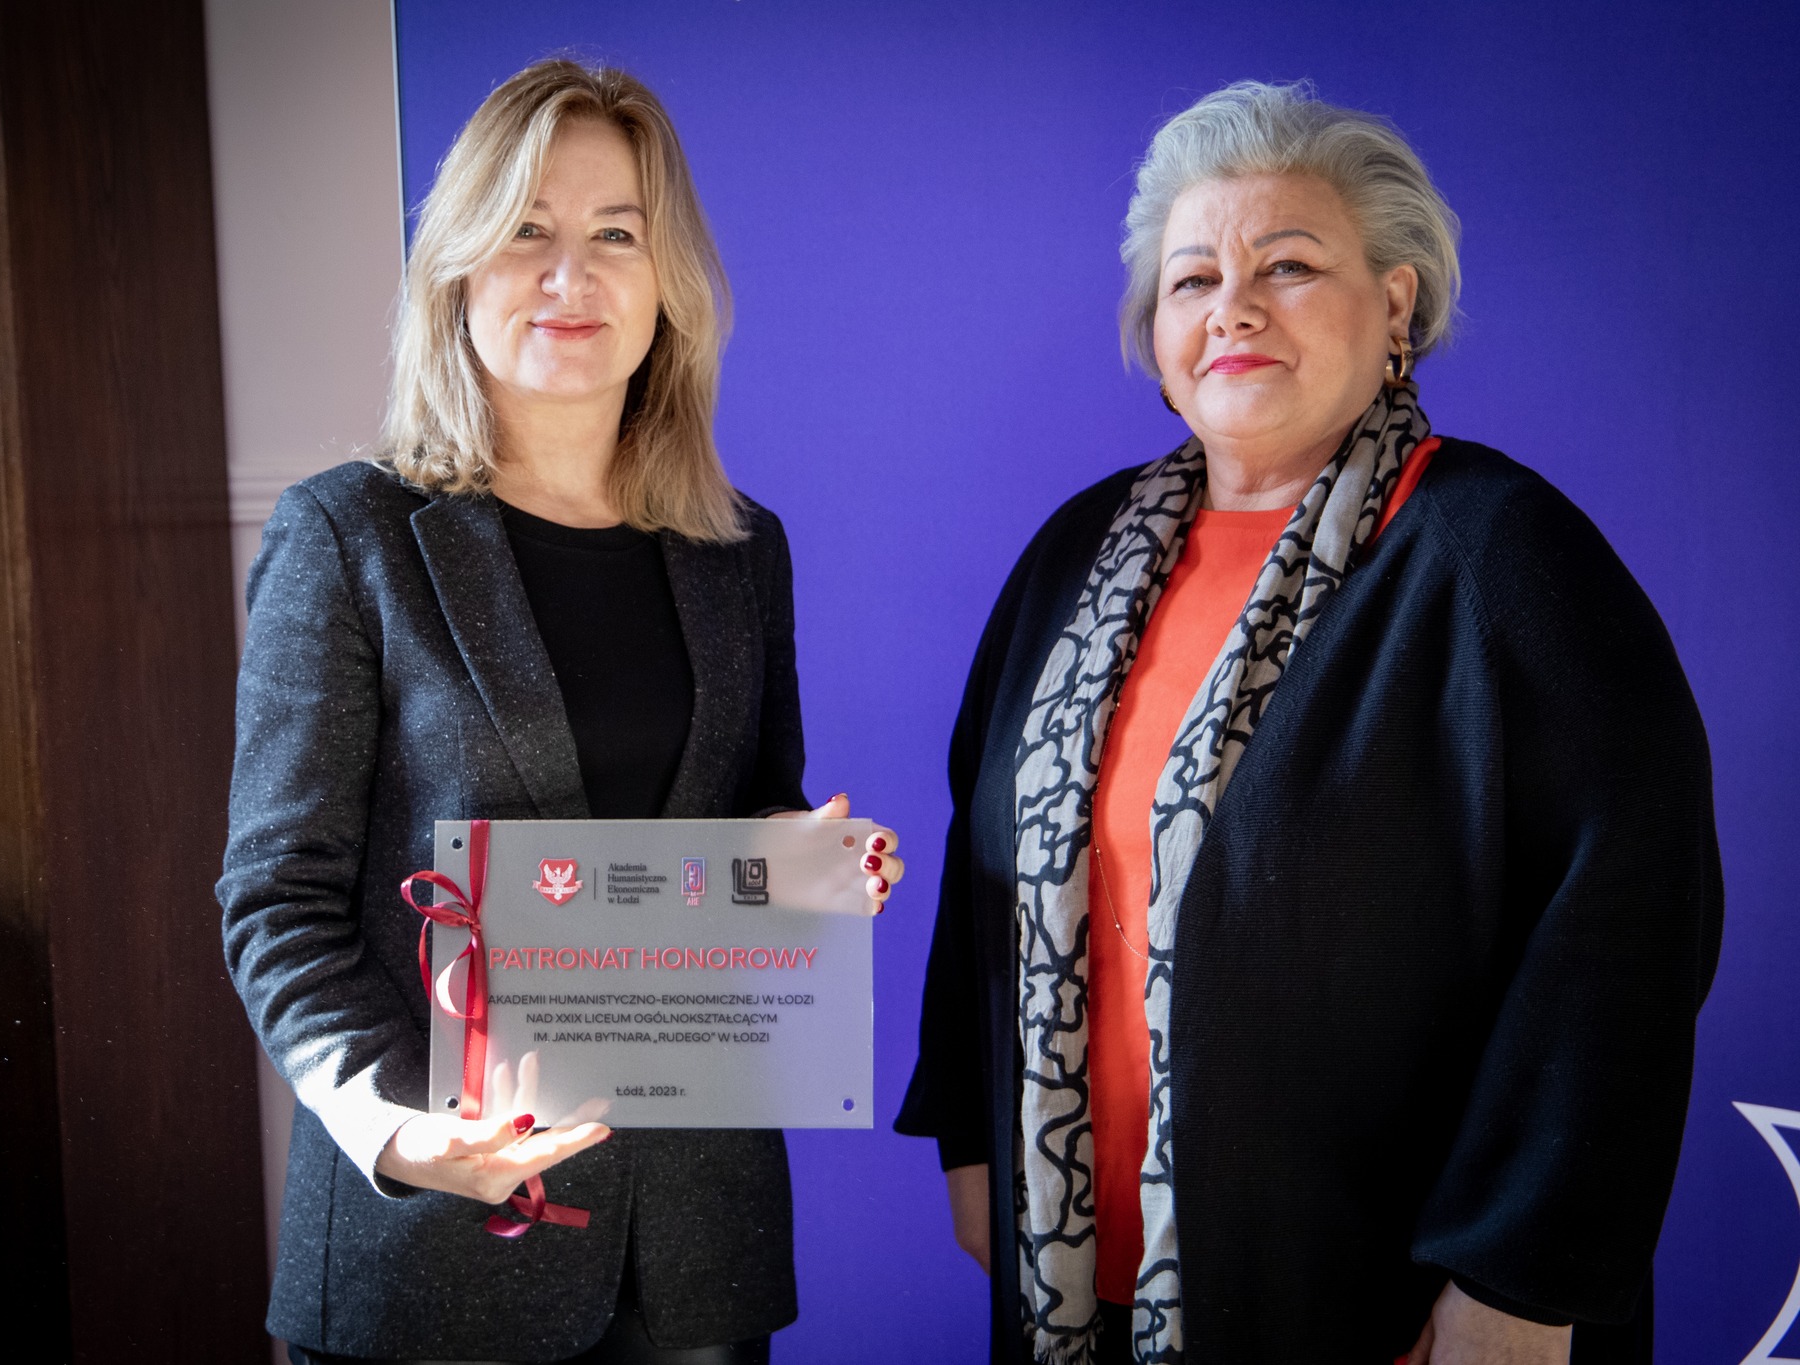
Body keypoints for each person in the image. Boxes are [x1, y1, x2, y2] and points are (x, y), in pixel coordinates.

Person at [894, 80, 1718, 1365]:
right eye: (1192, 279)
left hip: (1398, 1303)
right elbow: (980, 869)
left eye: (1285, 265)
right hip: (1077, 1276)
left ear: (1393, 306)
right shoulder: (1073, 558)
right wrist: (970, 1135)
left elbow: (1622, 935)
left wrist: (1517, 1276)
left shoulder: (1499, 558)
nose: (1231, 307)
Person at [219, 60, 901, 1365]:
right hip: (434, 1256)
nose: (568, 276)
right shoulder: (346, 536)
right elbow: (276, 901)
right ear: (457, 268)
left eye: (615, 235)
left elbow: (744, 819)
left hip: (695, 1261)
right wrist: (398, 1129)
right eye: (526, 230)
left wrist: (808, 870)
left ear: (667, 284)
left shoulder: (738, 549)